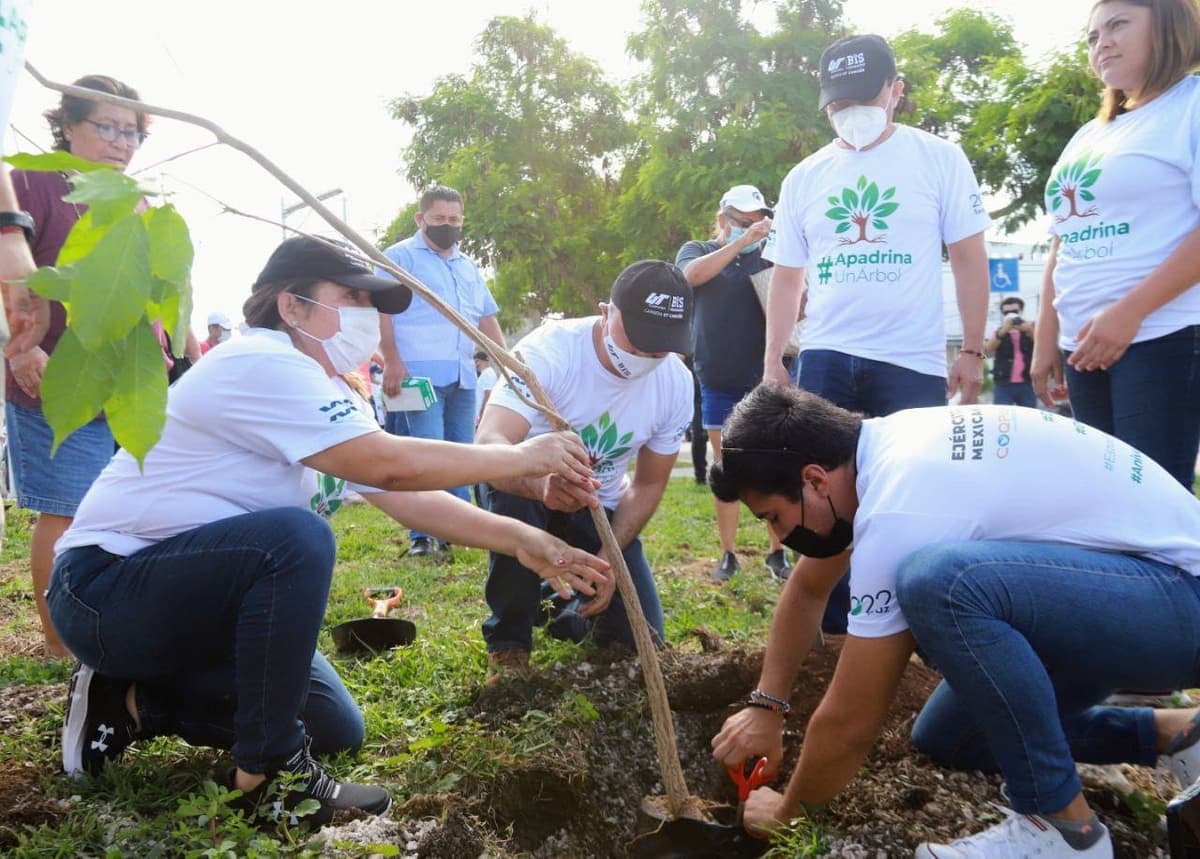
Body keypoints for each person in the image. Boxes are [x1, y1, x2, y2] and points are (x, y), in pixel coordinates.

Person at [47, 236, 609, 827]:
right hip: (107, 593)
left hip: (194, 604)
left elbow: (408, 496)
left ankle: (129, 701)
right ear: (292, 306)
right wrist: (519, 456)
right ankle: (268, 777)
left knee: (333, 726)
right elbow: (387, 465)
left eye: (372, 304)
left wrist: (523, 540)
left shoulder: (330, 388)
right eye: (351, 298)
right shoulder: (259, 361)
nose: (368, 317)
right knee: (295, 540)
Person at [709, 384, 1200, 857]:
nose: (779, 535)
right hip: (1136, 595)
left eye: (773, 517)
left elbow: (851, 722)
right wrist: (767, 705)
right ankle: (1178, 735)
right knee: (953, 736)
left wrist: (788, 814)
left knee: (939, 583)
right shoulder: (886, 449)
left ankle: (1064, 828)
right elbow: (808, 588)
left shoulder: (900, 504)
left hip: (1178, 602)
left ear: (815, 480)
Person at [760, 34, 991, 634]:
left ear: (896, 92)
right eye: (839, 104)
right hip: (826, 355)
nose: (852, 114)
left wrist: (971, 348)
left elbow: (969, 258)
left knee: (912, 494)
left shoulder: (939, 159)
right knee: (824, 495)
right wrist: (773, 360)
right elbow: (787, 278)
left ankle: (908, 625)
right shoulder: (804, 177)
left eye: (864, 99)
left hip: (910, 360)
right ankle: (837, 627)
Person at [477, 260, 693, 683]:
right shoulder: (550, 353)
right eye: (637, 341)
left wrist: (608, 561)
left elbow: (648, 485)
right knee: (515, 507)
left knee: (640, 640)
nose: (645, 357)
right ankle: (509, 642)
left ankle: (561, 606)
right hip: (524, 491)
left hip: (599, 505)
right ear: (606, 312)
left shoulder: (676, 383)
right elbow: (489, 446)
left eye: (659, 349)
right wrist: (540, 484)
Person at [6, 74, 149, 658]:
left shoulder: (133, 198)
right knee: (66, 511)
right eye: (107, 126)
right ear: (67, 125)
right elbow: (7, 267)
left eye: (132, 132)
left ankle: (108, 622)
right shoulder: (30, 182)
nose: (121, 141)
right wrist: (21, 347)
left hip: (126, 381)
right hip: (56, 375)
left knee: (120, 512)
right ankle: (58, 644)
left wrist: (177, 349)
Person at [1031, 0, 1200, 490]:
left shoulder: (1190, 107)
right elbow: (1064, 241)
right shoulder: (1090, 134)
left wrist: (1130, 312)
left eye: (1118, 25)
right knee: (1106, 500)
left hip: (1161, 334)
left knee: (1151, 501)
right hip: (1083, 345)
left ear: (1170, 25)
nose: (1101, 43)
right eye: (1092, 36)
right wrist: (1046, 337)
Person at [378, 184, 506, 559]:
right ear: (421, 219)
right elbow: (382, 312)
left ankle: (458, 531)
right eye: (438, 218)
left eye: (454, 219)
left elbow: (486, 316)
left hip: (464, 375)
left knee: (462, 457)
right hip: (417, 375)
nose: (447, 225)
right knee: (427, 456)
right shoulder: (399, 257)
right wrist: (391, 359)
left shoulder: (467, 266)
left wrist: (505, 362)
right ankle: (422, 536)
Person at [677, 185, 792, 583]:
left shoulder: (772, 256)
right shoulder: (698, 250)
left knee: (774, 465)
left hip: (767, 376)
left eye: (758, 220)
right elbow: (689, 277)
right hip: (718, 376)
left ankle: (777, 551)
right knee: (725, 467)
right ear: (723, 218)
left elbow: (797, 301)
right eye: (743, 220)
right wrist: (740, 242)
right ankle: (728, 553)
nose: (752, 227)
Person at [985, 295, 1037, 407]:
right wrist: (1004, 330)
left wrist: (1029, 330)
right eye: (1006, 312)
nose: (1011, 315)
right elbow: (987, 351)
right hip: (1003, 383)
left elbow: (1041, 345)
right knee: (1002, 414)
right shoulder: (998, 331)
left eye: (1014, 311)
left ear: (1021, 311)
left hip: (1028, 382)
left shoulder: (1031, 329)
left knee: (1028, 414)